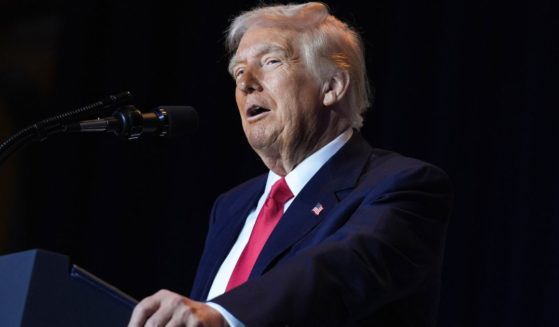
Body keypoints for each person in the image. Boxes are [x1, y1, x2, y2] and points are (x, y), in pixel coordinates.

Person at [128, 2, 452, 326]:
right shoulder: (230, 207)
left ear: (333, 86)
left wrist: (226, 316)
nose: (246, 84)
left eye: (271, 61)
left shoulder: (403, 185)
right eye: (238, 72)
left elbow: (338, 269)